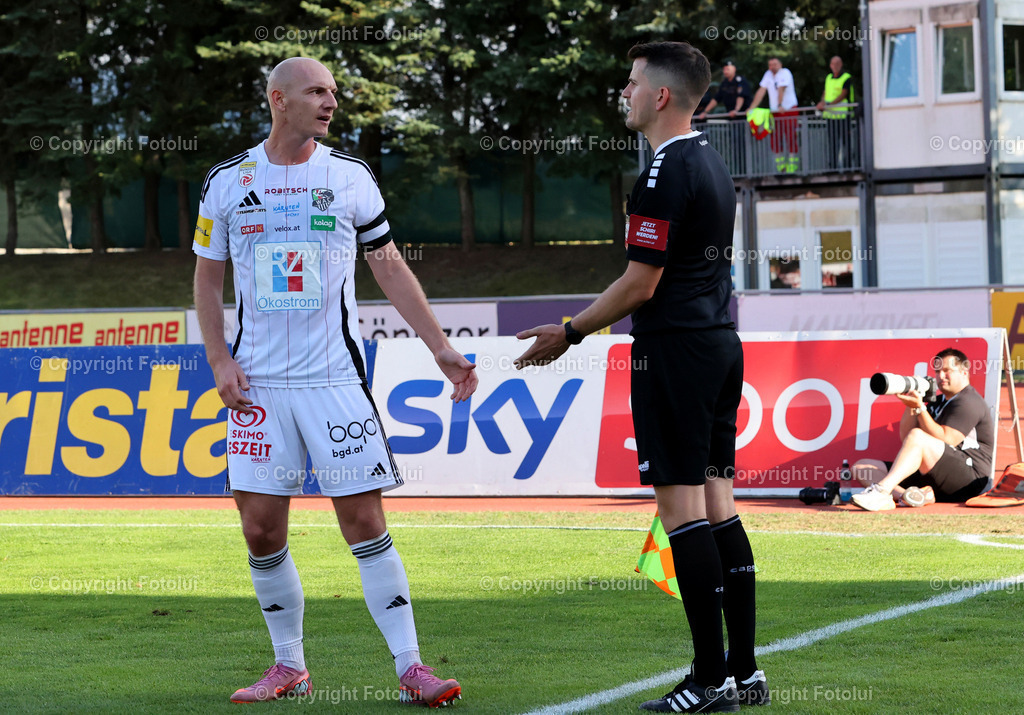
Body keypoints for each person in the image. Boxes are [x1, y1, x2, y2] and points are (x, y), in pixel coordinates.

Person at [192, 57, 476, 706]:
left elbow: (391, 268)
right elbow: (207, 279)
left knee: (364, 520)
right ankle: (288, 666)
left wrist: (441, 348)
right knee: (261, 529)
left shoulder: (350, 178)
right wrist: (218, 360)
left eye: (335, 92)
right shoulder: (227, 183)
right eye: (317, 91)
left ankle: (412, 667)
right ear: (278, 100)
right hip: (258, 386)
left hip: (334, 381)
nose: (331, 102)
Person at [514, 41, 767, 713]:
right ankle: (743, 672)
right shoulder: (713, 163)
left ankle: (708, 679)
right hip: (718, 343)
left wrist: (568, 331)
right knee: (720, 505)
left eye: (630, 84)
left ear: (660, 96)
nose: (623, 94)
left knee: (681, 510)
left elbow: (639, 282)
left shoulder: (661, 174)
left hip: (676, 351)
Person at [852, 348, 993, 511]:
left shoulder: (969, 400)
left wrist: (920, 408)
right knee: (862, 468)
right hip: (934, 475)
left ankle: (882, 491)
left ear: (964, 372)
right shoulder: (938, 401)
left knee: (918, 436)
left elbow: (948, 439)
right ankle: (910, 497)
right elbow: (907, 438)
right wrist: (910, 406)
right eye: (938, 371)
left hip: (968, 479)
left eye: (947, 371)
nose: (941, 376)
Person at [750, 57, 799, 173]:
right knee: (775, 138)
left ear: (780, 64)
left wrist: (780, 104)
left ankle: (792, 168)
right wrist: (752, 107)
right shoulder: (768, 74)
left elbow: (781, 89)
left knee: (790, 136)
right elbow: (761, 90)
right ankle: (780, 168)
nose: (772, 67)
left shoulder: (785, 73)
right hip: (775, 112)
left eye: (775, 64)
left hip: (788, 109)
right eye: (770, 65)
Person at [815, 56, 855, 170]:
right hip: (831, 116)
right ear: (830, 65)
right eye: (833, 64)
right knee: (832, 143)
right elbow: (825, 92)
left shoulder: (846, 77)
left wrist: (829, 105)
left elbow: (843, 94)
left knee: (845, 143)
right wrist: (822, 103)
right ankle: (833, 168)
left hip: (843, 115)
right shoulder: (828, 77)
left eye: (837, 63)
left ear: (841, 64)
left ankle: (847, 167)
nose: (835, 66)